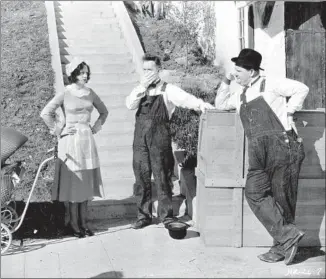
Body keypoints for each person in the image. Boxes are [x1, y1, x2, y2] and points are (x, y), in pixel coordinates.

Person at [215, 48, 309, 265]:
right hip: (258, 152)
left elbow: (301, 89)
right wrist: (226, 81)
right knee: (254, 192)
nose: (235, 74)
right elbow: (220, 104)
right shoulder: (240, 94)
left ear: (252, 71)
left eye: (238, 71)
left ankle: (280, 248)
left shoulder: (272, 84)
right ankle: (288, 236)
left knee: (283, 199)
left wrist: (291, 112)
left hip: (282, 147)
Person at [126, 54, 215, 229]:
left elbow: (187, 99)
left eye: (150, 69)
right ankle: (143, 216)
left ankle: (166, 216)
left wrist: (203, 105)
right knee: (141, 178)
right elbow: (130, 104)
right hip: (140, 141)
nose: (147, 73)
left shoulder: (168, 89)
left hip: (160, 139)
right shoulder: (139, 89)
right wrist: (142, 87)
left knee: (163, 177)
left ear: (158, 70)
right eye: (144, 70)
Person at [40, 57, 108, 238]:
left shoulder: (90, 93)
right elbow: (45, 113)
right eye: (81, 72)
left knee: (85, 183)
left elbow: (104, 112)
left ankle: (84, 222)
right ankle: (73, 223)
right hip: (69, 141)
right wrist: (58, 130)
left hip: (86, 140)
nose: (85, 75)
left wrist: (95, 127)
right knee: (73, 184)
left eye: (86, 72)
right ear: (73, 74)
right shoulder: (65, 93)